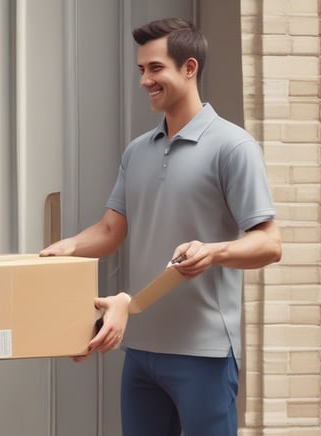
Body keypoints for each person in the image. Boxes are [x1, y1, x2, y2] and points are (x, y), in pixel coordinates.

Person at [41, 18, 282, 436]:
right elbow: (110, 231)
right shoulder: (138, 152)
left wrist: (213, 251)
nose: (145, 81)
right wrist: (67, 247)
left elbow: (269, 243)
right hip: (140, 348)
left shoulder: (233, 147)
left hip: (203, 352)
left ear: (189, 68)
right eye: (141, 71)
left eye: (155, 69)